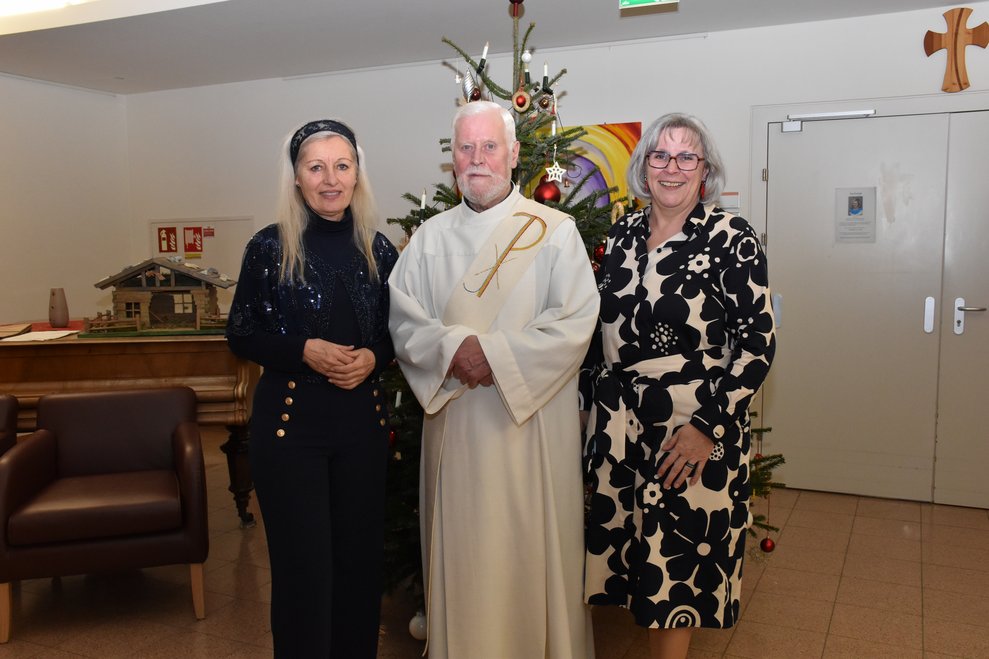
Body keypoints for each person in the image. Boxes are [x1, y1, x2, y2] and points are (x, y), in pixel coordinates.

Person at [389, 100, 599, 659]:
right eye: (465, 147)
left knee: (528, 556)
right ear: (452, 159)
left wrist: (497, 356)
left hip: (531, 431)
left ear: (512, 153)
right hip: (456, 432)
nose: (476, 159)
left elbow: (576, 323)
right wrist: (454, 350)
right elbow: (404, 320)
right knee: (466, 557)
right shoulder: (429, 240)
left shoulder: (556, 232)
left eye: (488, 147)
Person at [580, 113, 776, 659]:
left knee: (674, 571)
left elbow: (758, 345)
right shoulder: (620, 235)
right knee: (639, 566)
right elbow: (597, 333)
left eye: (686, 156)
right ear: (644, 167)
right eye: (660, 156)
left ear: (705, 169)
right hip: (622, 426)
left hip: (688, 430)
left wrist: (707, 428)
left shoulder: (729, 237)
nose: (671, 168)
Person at [226, 119, 398, 658]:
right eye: (315, 166)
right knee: (305, 575)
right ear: (297, 177)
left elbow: (401, 335)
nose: (330, 179)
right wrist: (303, 349)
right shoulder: (269, 247)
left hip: (362, 432)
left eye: (341, 166)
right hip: (289, 432)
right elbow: (241, 332)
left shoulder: (379, 247)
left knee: (357, 571)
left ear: (357, 175)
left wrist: (373, 355)